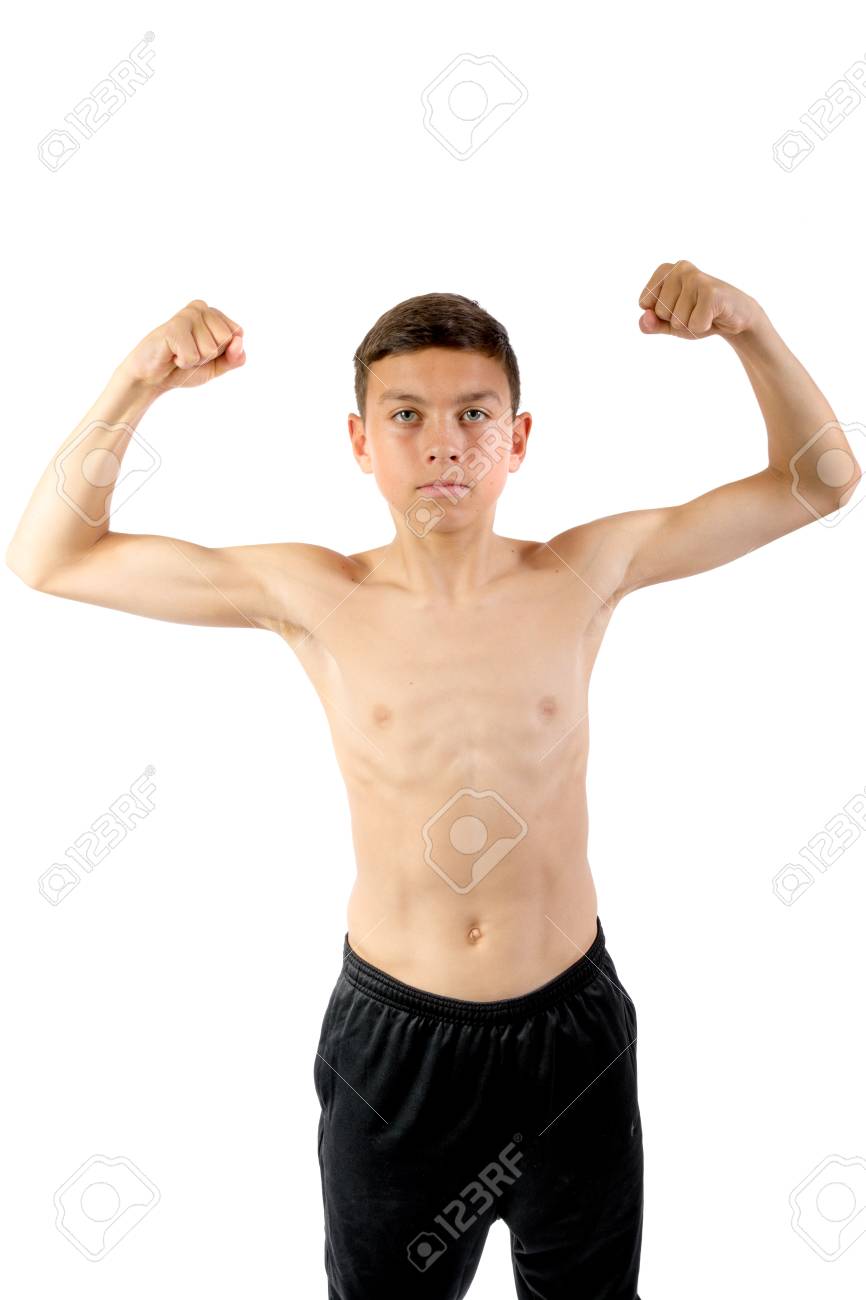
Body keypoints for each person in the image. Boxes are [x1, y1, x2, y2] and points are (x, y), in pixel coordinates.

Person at [6, 263, 860, 1298]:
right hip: (394, 1047)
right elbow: (50, 556)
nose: (444, 441)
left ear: (519, 437)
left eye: (473, 413)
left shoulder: (579, 572)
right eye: (405, 415)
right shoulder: (315, 593)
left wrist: (748, 326)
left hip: (569, 1033)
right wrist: (139, 378)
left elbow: (818, 480)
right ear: (361, 442)